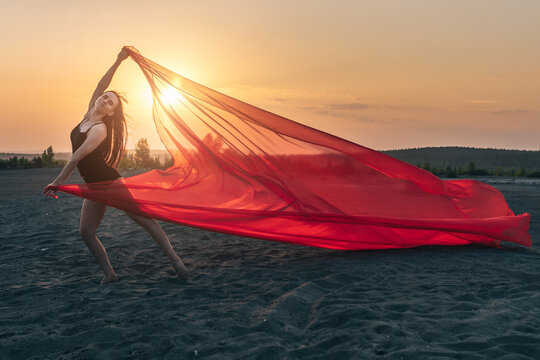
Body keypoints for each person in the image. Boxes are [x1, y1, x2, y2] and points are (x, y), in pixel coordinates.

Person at [43, 48, 188, 284]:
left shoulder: (100, 129)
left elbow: (76, 157)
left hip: (110, 183)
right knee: (86, 233)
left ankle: (176, 260)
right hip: (94, 186)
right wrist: (118, 61)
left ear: (111, 112)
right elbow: (101, 85)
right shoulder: (88, 114)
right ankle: (110, 274)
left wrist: (57, 183)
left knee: (143, 220)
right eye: (105, 97)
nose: (104, 99)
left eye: (110, 101)